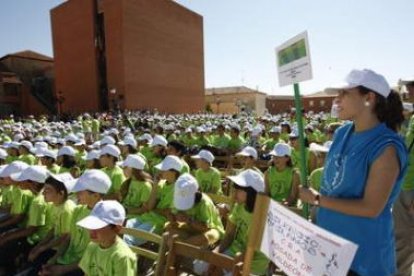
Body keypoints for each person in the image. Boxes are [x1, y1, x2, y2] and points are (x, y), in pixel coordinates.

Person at [299, 69, 408, 276]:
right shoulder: (341, 133)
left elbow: (371, 208)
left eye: (344, 94)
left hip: (363, 259)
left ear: (369, 98)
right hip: (330, 251)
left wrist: (317, 200)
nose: (336, 99)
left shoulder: (386, 147)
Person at [77, 200, 137, 276]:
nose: (92, 231)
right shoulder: (92, 246)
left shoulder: (122, 257)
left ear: (117, 228)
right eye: (91, 225)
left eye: (98, 227)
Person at [393, 76, 414, 276]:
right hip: (404, 187)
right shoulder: (412, 118)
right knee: (403, 241)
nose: (408, 90)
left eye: (412, 86)